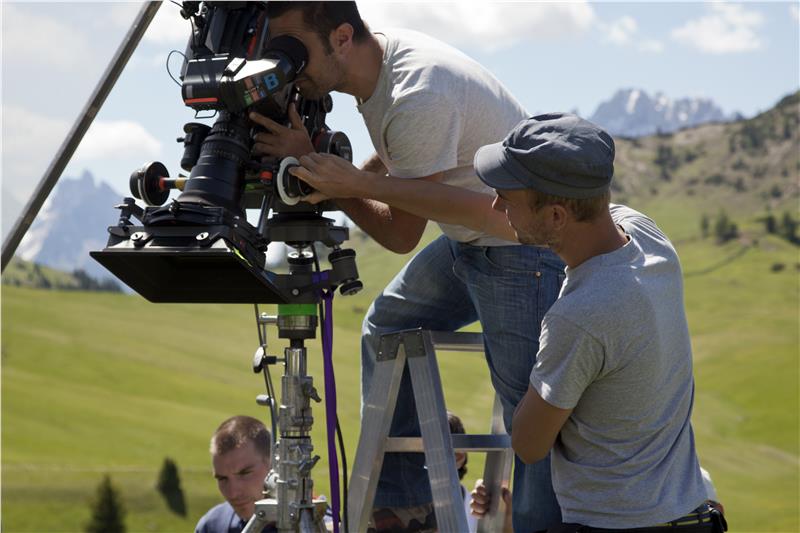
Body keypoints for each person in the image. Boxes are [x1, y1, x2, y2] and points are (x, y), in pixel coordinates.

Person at [252, 3, 564, 531]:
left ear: (342, 37)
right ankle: (404, 508)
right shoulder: (381, 66)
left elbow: (399, 235)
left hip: (521, 249)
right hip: (471, 238)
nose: (288, 66)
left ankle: (543, 525)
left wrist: (340, 184)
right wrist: (338, 175)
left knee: (528, 412)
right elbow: (401, 155)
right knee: (387, 329)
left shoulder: (417, 93)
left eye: (293, 49)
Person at [470, 112, 727, 532]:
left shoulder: (580, 316)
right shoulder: (650, 239)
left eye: (507, 198)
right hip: (692, 516)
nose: (497, 207)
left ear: (557, 217)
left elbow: (529, 444)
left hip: (619, 525)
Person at [195, 416, 275, 533]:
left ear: (274, 465)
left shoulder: (303, 524)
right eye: (222, 479)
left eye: (244, 473)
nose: (233, 494)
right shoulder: (211, 526)